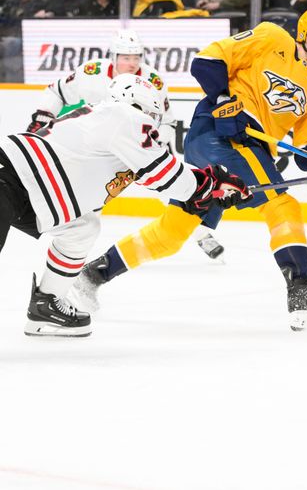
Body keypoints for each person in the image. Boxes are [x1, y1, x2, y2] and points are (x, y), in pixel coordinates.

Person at [73, 8, 307, 331]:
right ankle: (301, 292)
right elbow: (206, 62)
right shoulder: (272, 37)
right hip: (218, 135)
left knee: (173, 230)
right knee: (281, 204)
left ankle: (94, 274)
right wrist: (223, 101)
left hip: (245, 149)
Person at [0, 74, 250, 337]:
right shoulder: (124, 117)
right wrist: (210, 183)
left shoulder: (111, 126)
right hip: (10, 179)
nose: (153, 123)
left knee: (82, 228)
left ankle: (45, 306)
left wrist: (213, 184)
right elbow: (167, 176)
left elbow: (164, 175)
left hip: (28, 187)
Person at [27, 29, 227, 261]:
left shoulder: (151, 82)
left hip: (137, 145)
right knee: (91, 198)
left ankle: (201, 234)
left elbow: (168, 121)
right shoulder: (93, 72)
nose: (131, 63)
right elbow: (56, 91)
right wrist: (42, 116)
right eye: (125, 57)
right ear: (113, 57)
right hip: (98, 149)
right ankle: (73, 249)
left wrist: (148, 145)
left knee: (173, 187)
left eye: (136, 57)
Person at [0, 0, 44, 83]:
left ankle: (9, 84)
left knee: (12, 43)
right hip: (7, 37)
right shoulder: (10, 2)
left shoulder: (40, 3)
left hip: (26, 41)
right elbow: (3, 22)